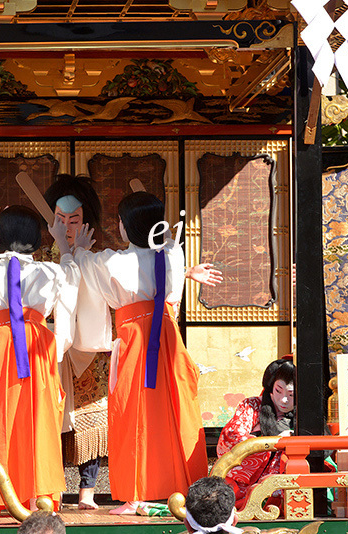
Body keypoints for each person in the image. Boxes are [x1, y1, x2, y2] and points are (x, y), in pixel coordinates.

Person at [72, 191, 210, 512]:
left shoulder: (115, 262)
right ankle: (187, 488)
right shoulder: (173, 255)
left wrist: (75, 247)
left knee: (133, 415)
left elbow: (84, 265)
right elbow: (167, 246)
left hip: (136, 341)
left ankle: (136, 495)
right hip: (169, 340)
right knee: (176, 412)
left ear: (124, 227)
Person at [0, 206, 80, 509]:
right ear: (38, 239)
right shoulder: (50, 271)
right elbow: (71, 277)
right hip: (37, 347)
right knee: (38, 418)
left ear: (1, 236)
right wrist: (62, 243)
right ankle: (37, 495)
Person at [44, 174, 109, 510]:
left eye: (74, 219)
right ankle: (48, 486)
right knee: (49, 413)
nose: (67, 225)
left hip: (89, 347)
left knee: (89, 417)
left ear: (87, 221)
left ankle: (87, 490)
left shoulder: (100, 254)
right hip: (51, 344)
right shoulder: (41, 254)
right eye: (60, 219)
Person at [216, 358, 295, 508]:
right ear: (271, 386)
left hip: (287, 489)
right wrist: (274, 442)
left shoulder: (305, 413)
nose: (284, 400)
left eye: (291, 395)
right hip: (245, 487)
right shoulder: (251, 405)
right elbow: (232, 434)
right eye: (279, 390)